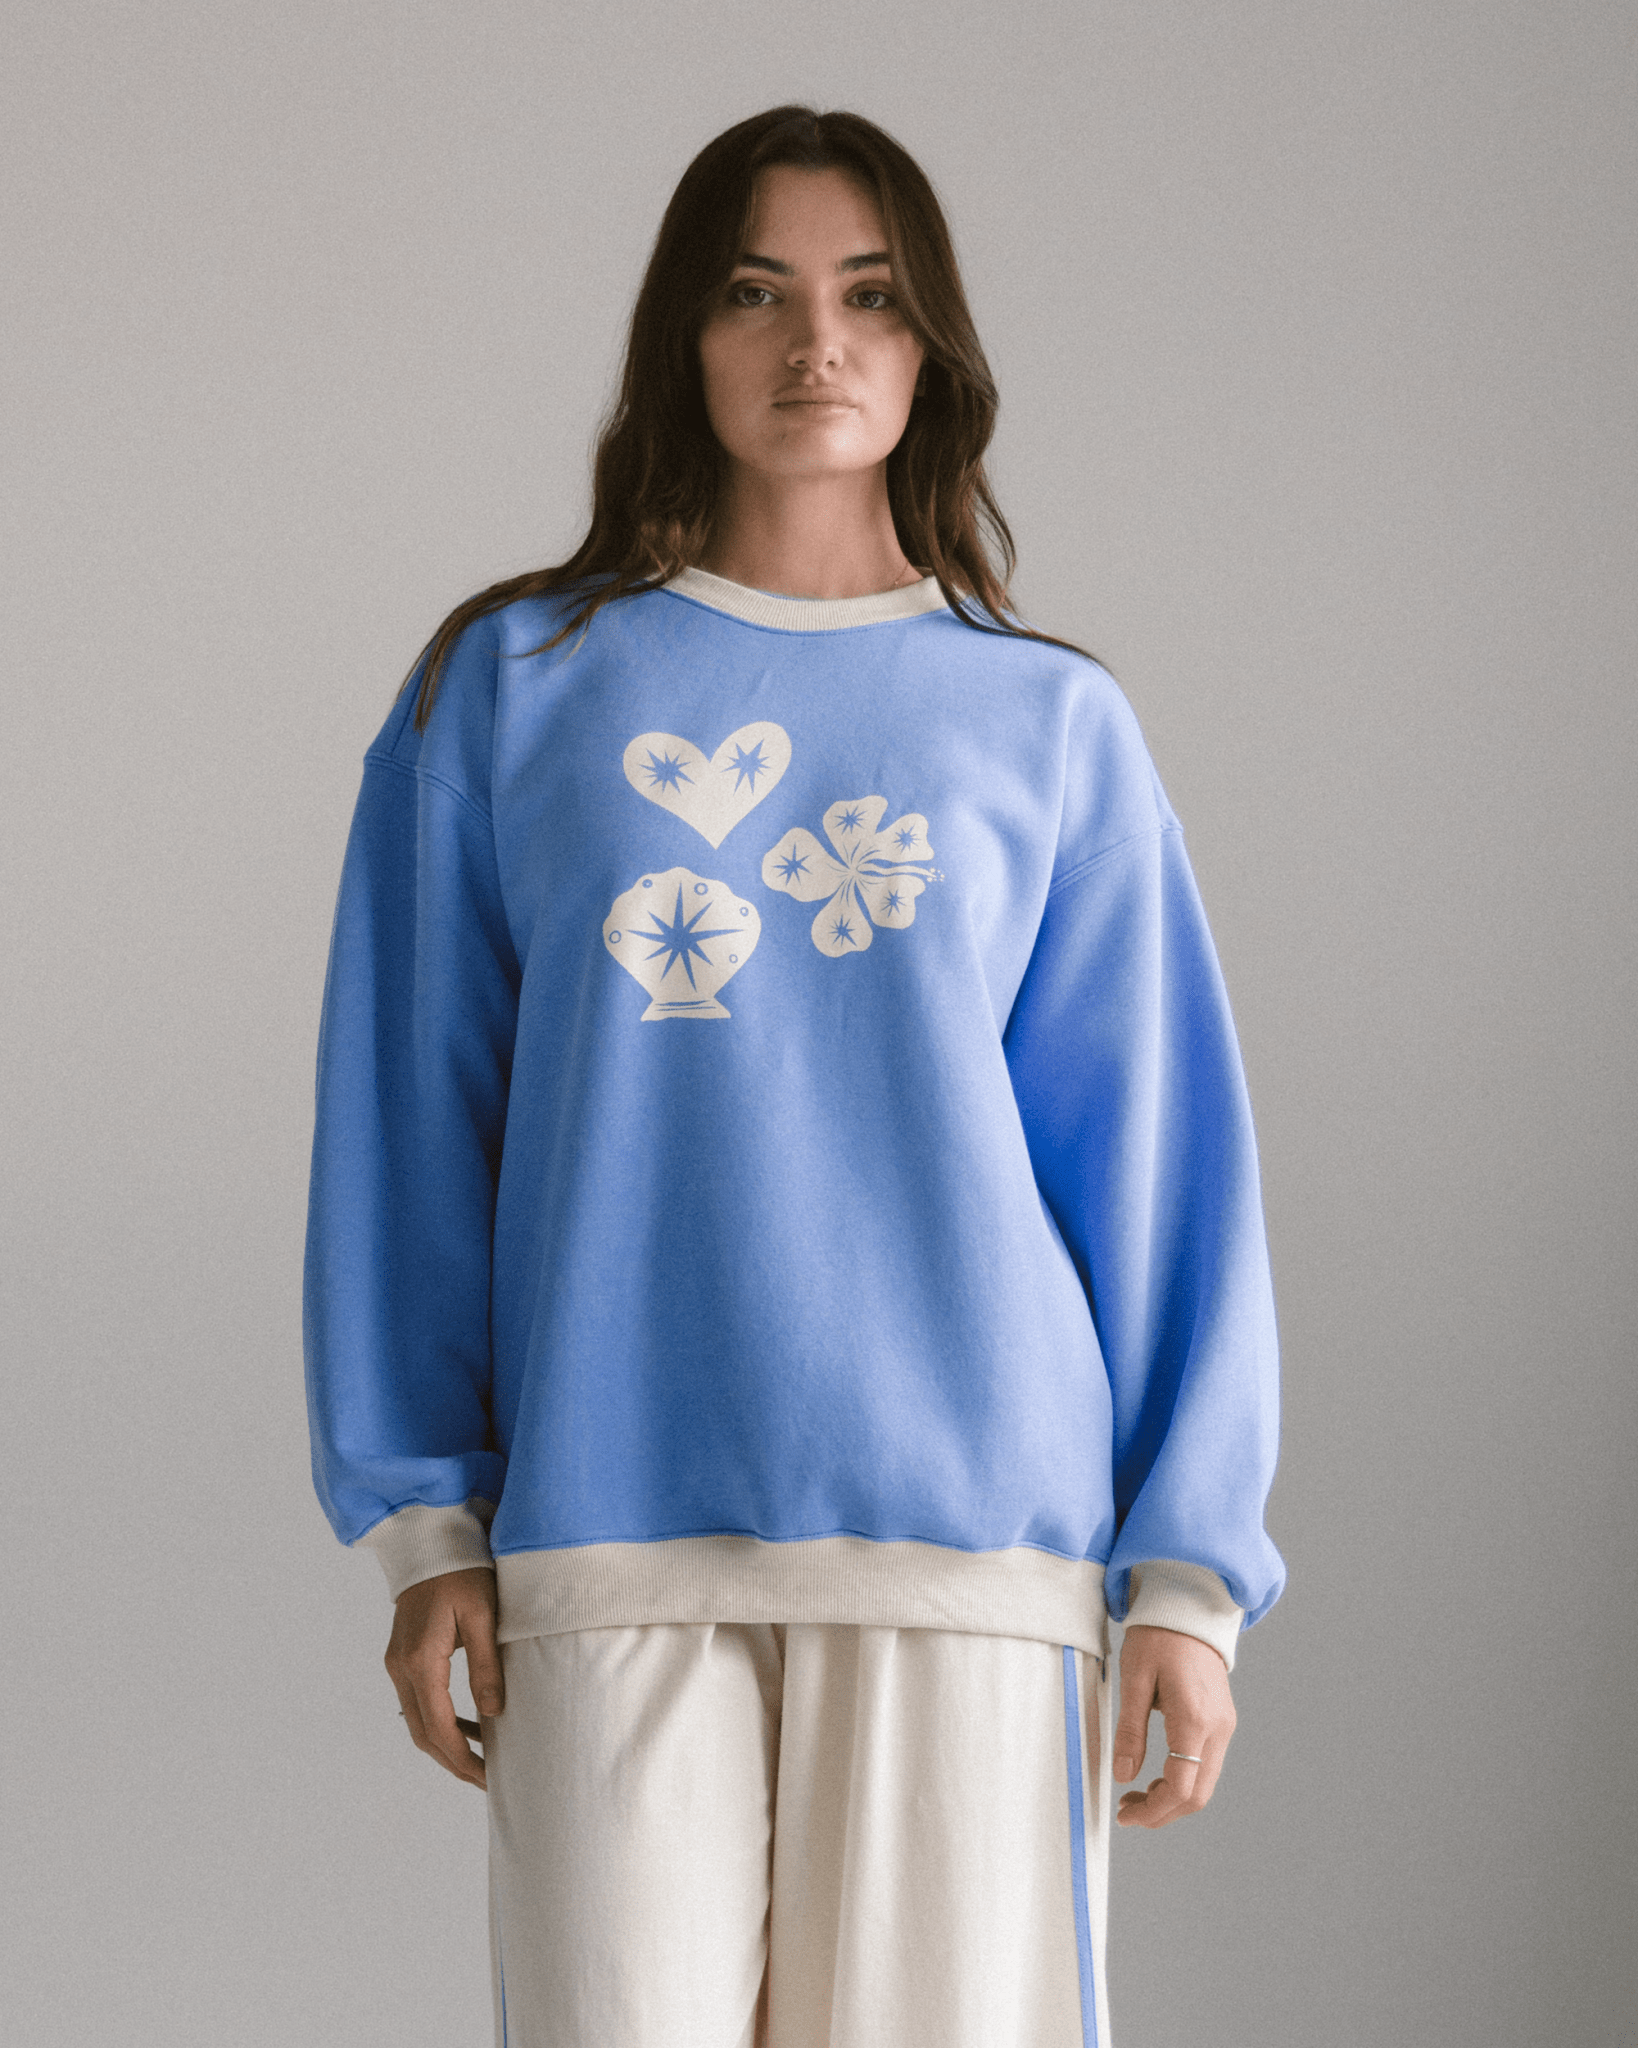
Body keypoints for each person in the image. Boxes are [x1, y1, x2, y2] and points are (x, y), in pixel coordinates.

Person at [303, 103, 1284, 2048]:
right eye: (756, 293)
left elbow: (1158, 1171)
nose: (815, 344)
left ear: (933, 351)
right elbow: (411, 1128)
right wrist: (429, 1524)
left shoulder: (1047, 725)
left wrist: (1186, 1573)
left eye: (870, 296)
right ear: (683, 333)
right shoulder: (509, 691)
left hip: (973, 1546)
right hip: (609, 1520)